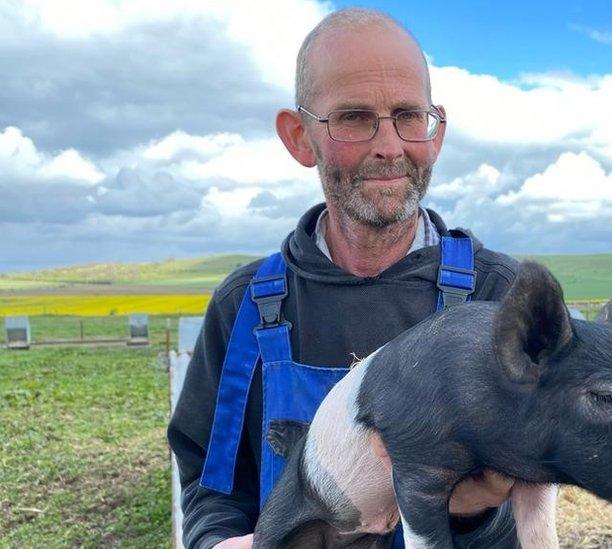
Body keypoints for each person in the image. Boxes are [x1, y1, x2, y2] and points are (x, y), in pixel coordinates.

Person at [167, 8, 521, 549]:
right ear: (299, 137)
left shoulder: (501, 301)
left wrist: (471, 516)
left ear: (437, 131)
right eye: (354, 118)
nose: (389, 146)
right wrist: (216, 543)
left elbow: (528, 499)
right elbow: (214, 486)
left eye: (409, 115)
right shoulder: (247, 308)